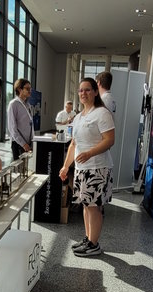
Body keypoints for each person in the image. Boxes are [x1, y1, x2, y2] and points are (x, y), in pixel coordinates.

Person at [59, 78, 115, 257]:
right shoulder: (78, 117)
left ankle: (94, 243)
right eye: (81, 90)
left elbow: (109, 140)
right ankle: (88, 238)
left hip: (97, 168)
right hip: (82, 169)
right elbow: (73, 144)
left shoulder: (102, 113)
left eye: (88, 90)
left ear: (95, 92)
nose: (83, 93)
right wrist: (66, 166)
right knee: (85, 204)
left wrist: (90, 153)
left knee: (93, 206)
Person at [6, 78, 33, 160]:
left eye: (30, 89)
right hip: (18, 144)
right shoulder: (13, 104)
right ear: (19, 89)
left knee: (27, 168)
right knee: (18, 170)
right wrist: (23, 144)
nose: (30, 91)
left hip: (28, 143)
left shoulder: (28, 105)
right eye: (27, 88)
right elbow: (12, 128)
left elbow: (31, 125)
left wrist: (32, 141)